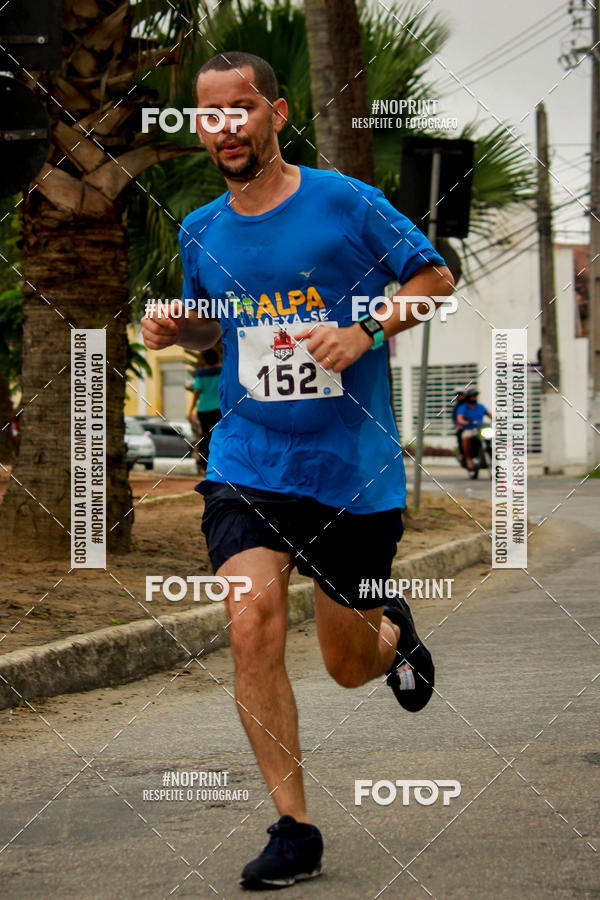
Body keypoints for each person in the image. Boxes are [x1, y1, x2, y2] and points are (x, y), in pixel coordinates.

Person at [142, 51, 455, 890]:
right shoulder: (201, 229)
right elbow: (216, 332)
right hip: (249, 459)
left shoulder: (345, 202)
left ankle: (392, 633)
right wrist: (180, 329)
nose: (226, 128)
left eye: (240, 109)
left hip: (351, 468)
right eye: (209, 114)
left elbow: (435, 277)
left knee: (347, 666)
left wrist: (364, 330)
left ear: (276, 115)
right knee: (251, 622)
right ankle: (295, 827)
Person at [188, 348, 222, 474]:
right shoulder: (221, 371)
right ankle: (218, 464)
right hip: (218, 409)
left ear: (204, 360)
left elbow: (196, 392)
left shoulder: (200, 373)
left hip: (203, 409)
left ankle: (204, 466)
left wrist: (190, 410)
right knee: (219, 435)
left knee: (205, 436)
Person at [456, 388, 492, 469]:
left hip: (481, 429)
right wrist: (466, 422)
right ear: (468, 397)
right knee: (466, 437)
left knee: (491, 436)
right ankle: (468, 459)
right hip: (469, 428)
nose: (474, 398)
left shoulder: (480, 406)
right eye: (472, 396)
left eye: (475, 396)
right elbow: (459, 419)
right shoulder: (463, 407)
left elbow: (490, 415)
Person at [450, 388, 466, 461]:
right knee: (459, 436)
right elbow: (454, 419)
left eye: (461, 395)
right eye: (458, 395)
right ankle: (462, 454)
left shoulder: (469, 405)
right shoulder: (456, 407)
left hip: (473, 426)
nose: (460, 397)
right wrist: (457, 425)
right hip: (461, 427)